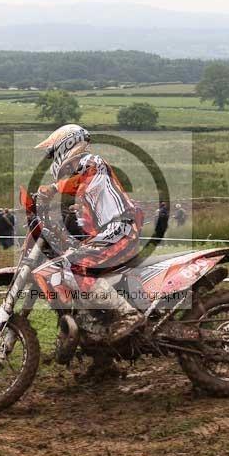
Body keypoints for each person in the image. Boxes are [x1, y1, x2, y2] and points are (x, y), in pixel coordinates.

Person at [34, 124, 144, 344]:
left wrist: (53, 189)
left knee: (76, 267)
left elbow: (82, 182)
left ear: (66, 145)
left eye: (53, 153)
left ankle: (128, 314)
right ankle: (96, 330)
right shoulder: (84, 182)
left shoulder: (92, 162)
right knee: (68, 261)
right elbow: (86, 212)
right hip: (109, 232)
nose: (52, 160)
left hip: (120, 229)